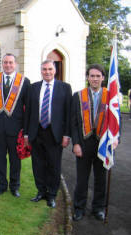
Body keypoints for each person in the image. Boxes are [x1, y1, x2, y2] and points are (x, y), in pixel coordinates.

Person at [24, 59, 72, 208]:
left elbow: (68, 113)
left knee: (53, 165)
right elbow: (28, 113)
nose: (47, 72)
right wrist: (26, 134)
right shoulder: (33, 87)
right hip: (36, 131)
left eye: (50, 69)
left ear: (55, 70)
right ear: (41, 71)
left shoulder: (64, 88)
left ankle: (51, 195)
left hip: (54, 133)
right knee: (37, 164)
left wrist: (66, 135)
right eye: (44, 69)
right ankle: (41, 192)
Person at [71, 64, 115, 221]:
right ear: (87, 77)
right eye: (92, 76)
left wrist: (115, 139)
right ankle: (79, 208)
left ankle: (98, 208)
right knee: (82, 179)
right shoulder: (78, 96)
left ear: (103, 77)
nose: (95, 79)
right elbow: (74, 123)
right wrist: (75, 143)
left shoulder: (111, 96)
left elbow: (117, 121)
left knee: (100, 179)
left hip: (103, 144)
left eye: (98, 76)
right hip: (83, 144)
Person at [0, 53, 30, 197]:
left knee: (15, 160)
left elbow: (27, 107)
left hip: (16, 128)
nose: (8, 65)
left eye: (10, 63)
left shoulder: (24, 81)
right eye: (5, 62)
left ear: (15, 64)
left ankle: (15, 186)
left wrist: (25, 129)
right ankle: (1, 185)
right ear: (2, 64)